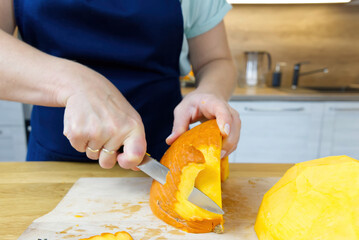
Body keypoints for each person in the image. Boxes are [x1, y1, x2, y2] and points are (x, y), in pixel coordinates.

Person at [0, 0, 241, 170]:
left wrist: (210, 91)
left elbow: (215, 60)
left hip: (161, 154)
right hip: (53, 161)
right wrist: (74, 82)